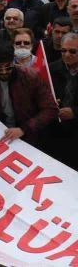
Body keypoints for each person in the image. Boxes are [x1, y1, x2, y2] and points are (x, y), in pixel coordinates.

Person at [0, 39, 58, 151]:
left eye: (8, 67)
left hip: (29, 138)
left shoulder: (31, 77)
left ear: (14, 61)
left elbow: (50, 109)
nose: (3, 72)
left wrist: (24, 129)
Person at [46, 32, 78, 170]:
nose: (67, 54)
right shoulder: (51, 69)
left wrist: (75, 112)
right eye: (63, 50)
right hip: (56, 132)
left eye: (72, 51)